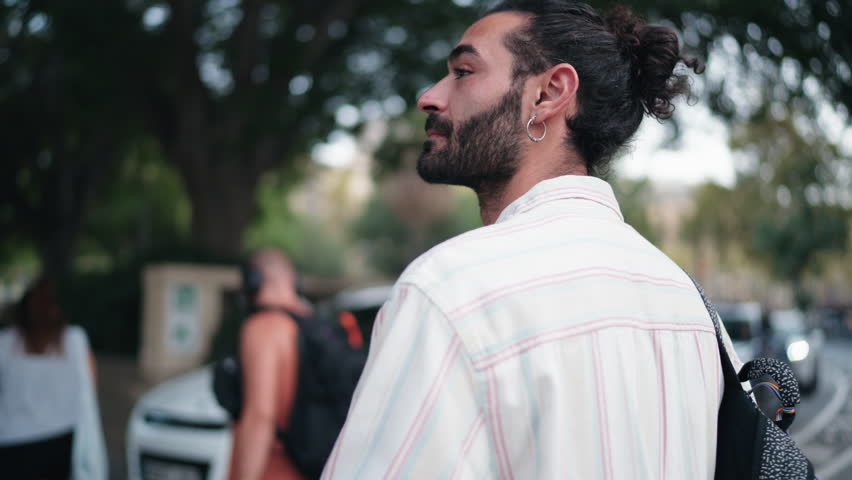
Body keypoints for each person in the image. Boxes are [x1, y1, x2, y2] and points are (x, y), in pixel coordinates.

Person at [323, 2, 744, 479]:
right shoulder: (689, 305)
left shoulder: (450, 291)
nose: (429, 97)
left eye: (463, 71)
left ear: (549, 93)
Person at [0, 276, 102, 479]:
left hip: (12, 438)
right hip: (60, 437)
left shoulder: (6, 343)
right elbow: (90, 389)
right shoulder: (75, 340)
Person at [228, 248, 313, 480]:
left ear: (252, 281)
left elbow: (260, 417)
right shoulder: (316, 328)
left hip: (273, 470)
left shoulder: (263, 329)